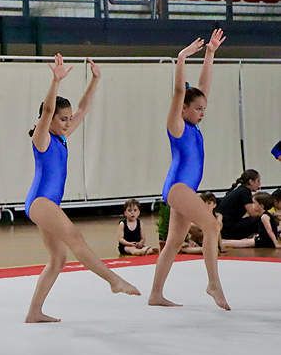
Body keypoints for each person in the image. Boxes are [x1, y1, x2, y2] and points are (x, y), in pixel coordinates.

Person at [24, 55, 139, 324]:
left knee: (58, 258)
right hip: (41, 201)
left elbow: (84, 108)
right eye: (62, 118)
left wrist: (96, 80)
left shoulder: (61, 136)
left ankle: (34, 312)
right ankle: (113, 280)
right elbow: (49, 110)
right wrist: (55, 81)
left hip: (46, 203)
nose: (67, 122)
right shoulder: (41, 138)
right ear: (49, 118)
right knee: (76, 238)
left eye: (68, 118)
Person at [149, 29, 230, 310]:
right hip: (178, 187)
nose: (202, 113)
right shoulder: (178, 126)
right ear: (183, 109)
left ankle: (156, 294)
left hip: (184, 188)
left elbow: (202, 91)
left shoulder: (193, 126)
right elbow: (180, 92)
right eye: (197, 109)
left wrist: (210, 54)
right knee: (210, 224)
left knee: (174, 242)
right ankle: (213, 283)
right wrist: (182, 58)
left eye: (204, 110)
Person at [216, 169, 261, 241]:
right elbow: (252, 213)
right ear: (251, 182)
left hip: (225, 227)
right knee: (260, 219)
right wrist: (267, 214)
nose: (259, 184)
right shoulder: (245, 192)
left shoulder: (240, 189)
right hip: (228, 229)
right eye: (258, 181)